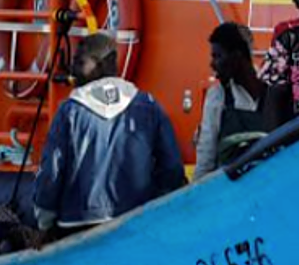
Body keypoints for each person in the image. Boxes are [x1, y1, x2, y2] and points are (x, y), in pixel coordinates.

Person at [32, 32, 186, 236]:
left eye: (79, 62)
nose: (72, 70)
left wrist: (44, 221)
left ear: (102, 64)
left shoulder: (70, 111)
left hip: (77, 224)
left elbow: (52, 170)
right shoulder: (148, 106)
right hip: (135, 221)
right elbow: (172, 168)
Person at [193, 23, 268, 181]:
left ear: (237, 56)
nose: (212, 64)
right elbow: (206, 155)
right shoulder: (217, 96)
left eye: (218, 56)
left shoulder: (272, 92)